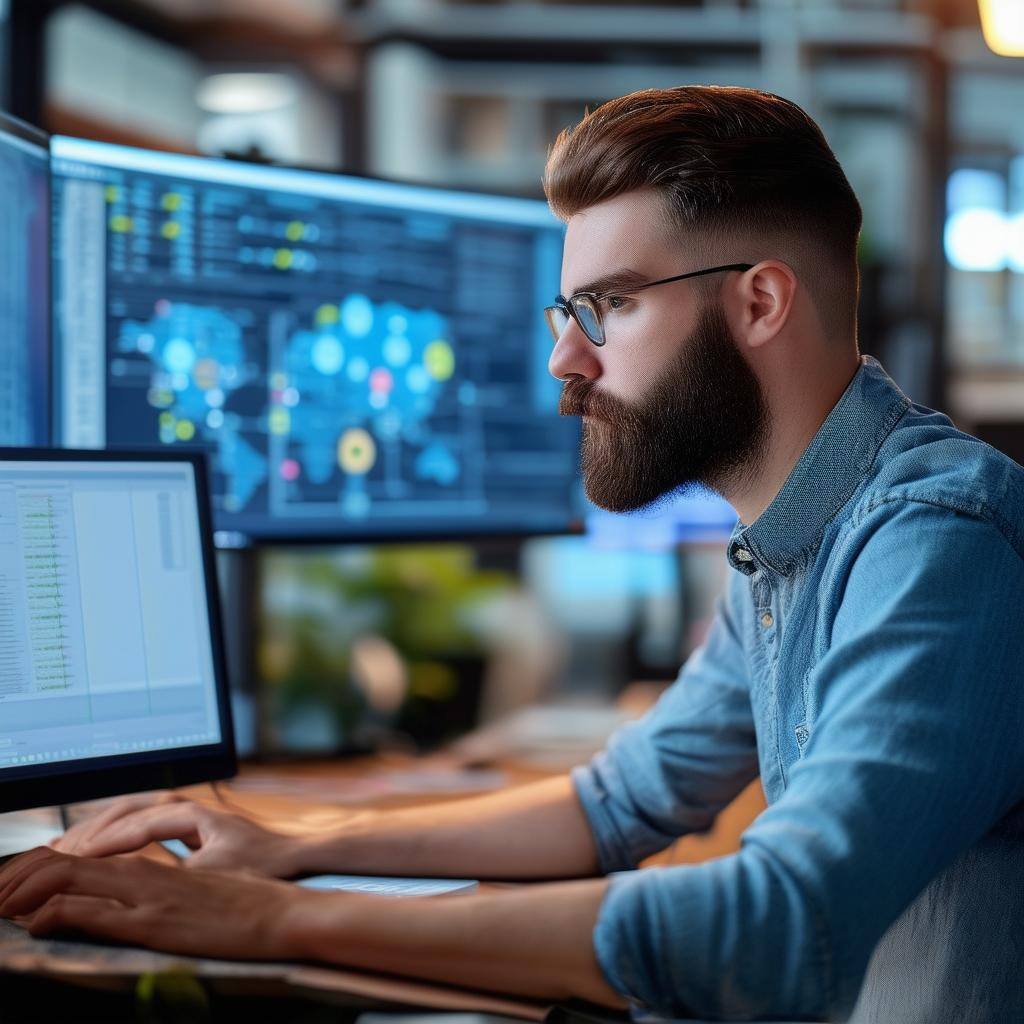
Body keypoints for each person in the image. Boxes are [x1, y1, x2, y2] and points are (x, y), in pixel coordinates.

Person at [2, 85, 1023, 1023]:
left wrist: (261, 918)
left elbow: (778, 925)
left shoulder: (938, 540)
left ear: (759, 303)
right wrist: (297, 848)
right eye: (567, 312)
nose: (563, 358)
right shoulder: (792, 535)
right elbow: (621, 800)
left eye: (608, 307)